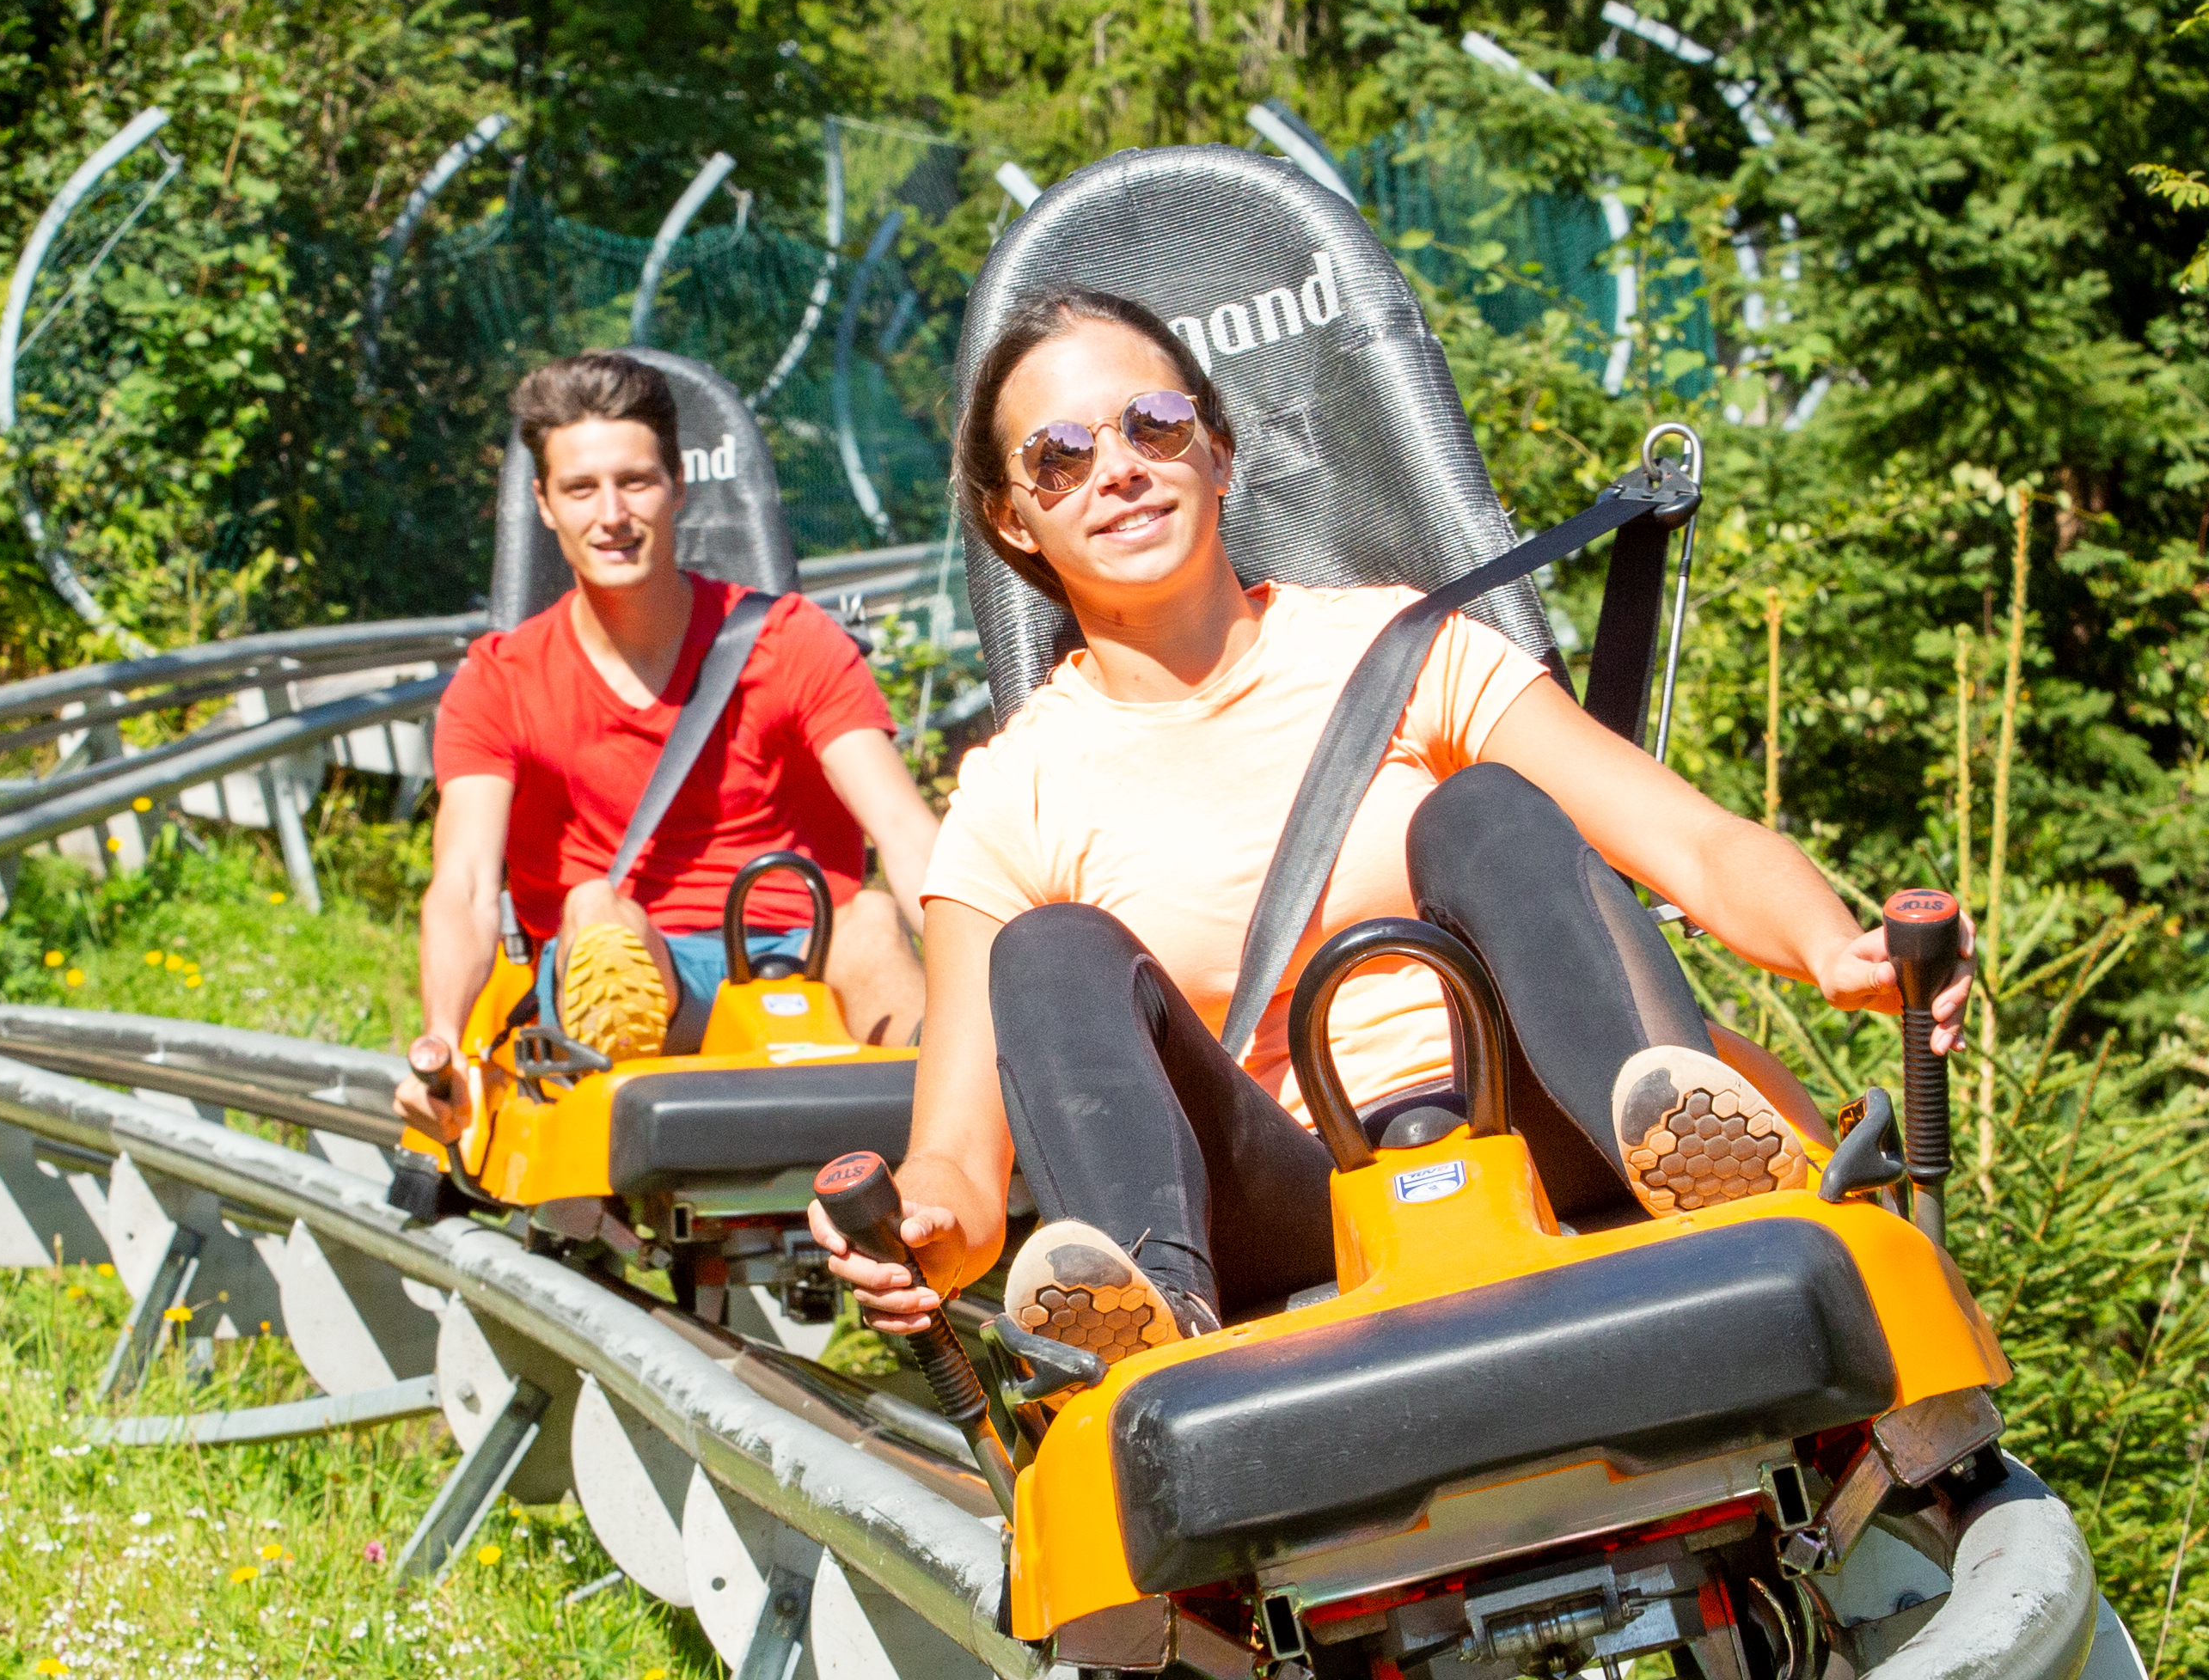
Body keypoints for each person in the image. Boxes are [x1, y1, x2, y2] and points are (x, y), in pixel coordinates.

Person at [811, 289, 1971, 1361]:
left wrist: (1834, 949)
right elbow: (961, 1156)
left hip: (1532, 1122)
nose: (1115, 469)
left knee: (1483, 808)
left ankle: (1690, 1162)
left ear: (1218, 451)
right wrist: (920, 1231)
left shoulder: (1402, 650)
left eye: (1152, 425)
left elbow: (1699, 845)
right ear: (1012, 517)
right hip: (1290, 1200)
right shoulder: (1015, 793)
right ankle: (1151, 1309)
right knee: (1047, 950)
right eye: (1059, 457)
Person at [398, 351, 942, 1143]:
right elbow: (466, 887)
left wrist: (1002, 986)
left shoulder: (792, 643)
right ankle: (628, 1085)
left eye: (636, 481)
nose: (612, 514)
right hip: (633, 966)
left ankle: (948, 1103)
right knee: (597, 910)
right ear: (546, 506)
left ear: (679, 487)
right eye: (582, 489)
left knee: (872, 918)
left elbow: (904, 828)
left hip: (805, 960)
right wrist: (443, 1039)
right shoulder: (500, 682)